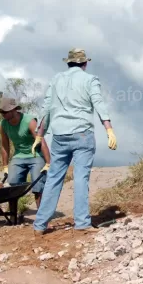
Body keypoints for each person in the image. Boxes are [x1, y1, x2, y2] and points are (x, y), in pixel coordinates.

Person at [32, 48, 118, 236]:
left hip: (59, 135)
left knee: (54, 178)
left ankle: (40, 224)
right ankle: (82, 222)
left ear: (68, 63)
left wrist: (40, 134)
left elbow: (46, 108)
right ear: (85, 63)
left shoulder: (56, 79)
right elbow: (98, 103)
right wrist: (109, 129)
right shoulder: (90, 80)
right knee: (81, 177)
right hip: (82, 134)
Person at [0, 97, 51, 214]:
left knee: (38, 186)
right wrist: (5, 166)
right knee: (11, 185)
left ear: (14, 110)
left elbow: (41, 141)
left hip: (35, 156)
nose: (2, 114)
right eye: (1, 112)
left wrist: (48, 163)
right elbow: (5, 145)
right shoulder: (3, 124)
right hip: (19, 156)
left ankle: (42, 216)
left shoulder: (29, 121)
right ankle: (13, 216)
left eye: (5, 111)